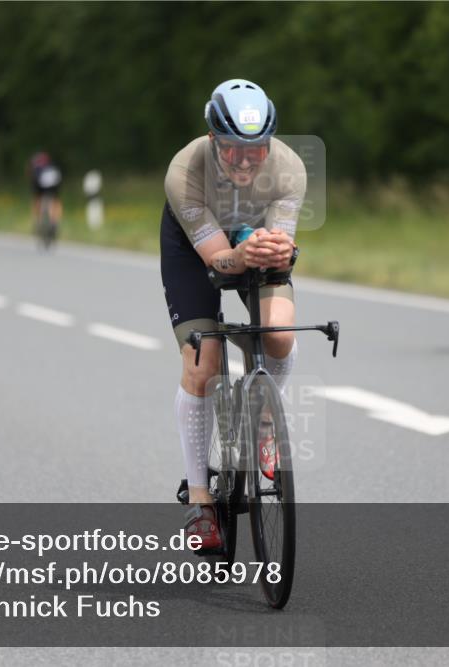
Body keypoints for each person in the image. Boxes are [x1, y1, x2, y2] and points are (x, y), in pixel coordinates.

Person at [161, 79, 305, 550]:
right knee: (204, 362)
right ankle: (201, 502)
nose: (244, 160)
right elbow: (220, 263)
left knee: (279, 335)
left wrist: (276, 249)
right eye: (231, 149)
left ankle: (264, 417)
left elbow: (280, 250)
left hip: (253, 241)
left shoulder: (289, 169)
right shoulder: (185, 171)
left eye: (255, 150)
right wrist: (245, 253)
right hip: (197, 249)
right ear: (212, 140)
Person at [28, 152, 63, 232]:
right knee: (56, 200)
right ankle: (55, 221)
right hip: (53, 188)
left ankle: (38, 221)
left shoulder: (36, 167)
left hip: (40, 187)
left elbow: (33, 182)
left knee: (37, 199)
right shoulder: (53, 167)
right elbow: (59, 180)